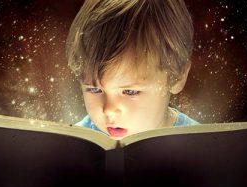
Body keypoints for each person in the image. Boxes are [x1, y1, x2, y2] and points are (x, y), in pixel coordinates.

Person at [66, 0, 199, 139]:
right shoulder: (71, 145)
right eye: (95, 89)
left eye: (130, 91)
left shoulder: (204, 146)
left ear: (178, 76)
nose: (109, 110)